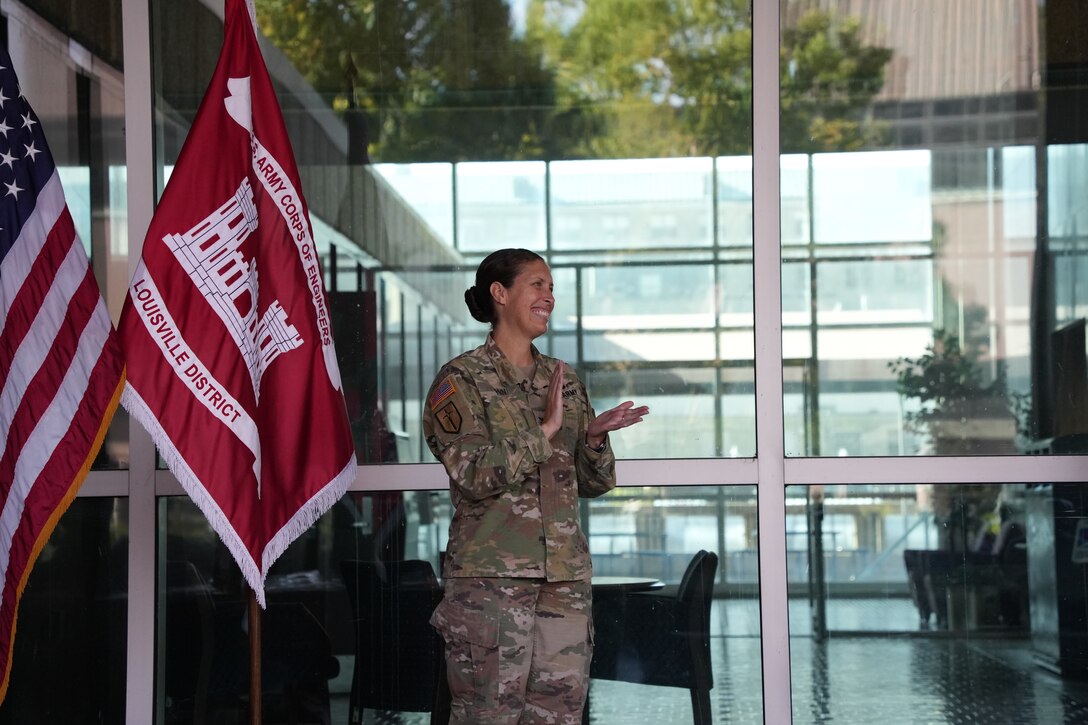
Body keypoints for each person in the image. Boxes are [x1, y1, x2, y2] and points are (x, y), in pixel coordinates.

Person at [423, 248, 649, 725]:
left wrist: (592, 437)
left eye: (551, 286)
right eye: (537, 284)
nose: (549, 295)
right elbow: (472, 472)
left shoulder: (563, 381)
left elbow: (594, 483)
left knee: (558, 716)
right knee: (487, 715)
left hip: (564, 580)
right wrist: (544, 431)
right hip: (490, 581)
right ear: (500, 294)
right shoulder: (460, 381)